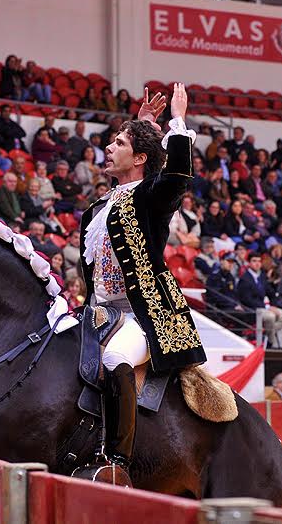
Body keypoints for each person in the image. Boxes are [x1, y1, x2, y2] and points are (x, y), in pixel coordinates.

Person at [79, 84, 206, 484]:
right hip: (99, 312)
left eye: (119, 143)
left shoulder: (152, 197)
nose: (108, 147)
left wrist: (178, 120)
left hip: (142, 316)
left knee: (116, 359)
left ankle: (117, 460)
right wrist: (143, 125)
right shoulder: (102, 205)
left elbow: (176, 175)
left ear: (138, 159)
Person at [237, 252, 282, 348]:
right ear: (249, 263)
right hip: (253, 308)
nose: (257, 264)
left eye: (259, 261)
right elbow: (247, 300)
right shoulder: (244, 279)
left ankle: (265, 334)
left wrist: (273, 305)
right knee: (270, 316)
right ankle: (270, 342)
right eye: (254, 261)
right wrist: (266, 307)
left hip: (265, 307)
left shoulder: (262, 277)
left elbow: (271, 293)